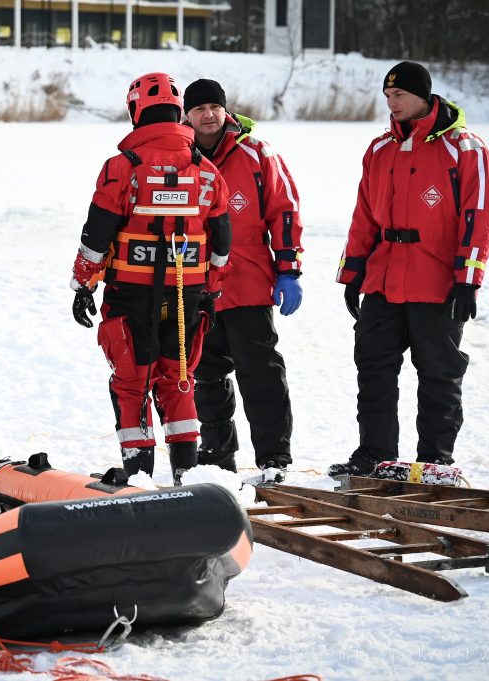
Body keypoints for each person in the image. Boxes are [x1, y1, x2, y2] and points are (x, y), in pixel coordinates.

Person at [330, 61, 489, 477]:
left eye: (400, 94)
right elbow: (364, 215)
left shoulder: (466, 149)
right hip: (384, 278)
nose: (392, 102)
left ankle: (435, 461)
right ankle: (374, 455)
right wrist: (353, 273)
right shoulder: (379, 148)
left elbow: (478, 217)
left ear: (423, 95)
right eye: (388, 96)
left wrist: (468, 279)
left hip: (436, 281)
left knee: (439, 374)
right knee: (373, 367)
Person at [70, 72, 232, 484]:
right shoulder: (207, 170)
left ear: (136, 110)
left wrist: (83, 284)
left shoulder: (122, 167)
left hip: (130, 294)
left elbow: (96, 235)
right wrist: (211, 290)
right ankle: (186, 477)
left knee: (132, 383)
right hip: (187, 294)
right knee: (179, 380)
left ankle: (138, 480)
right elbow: (221, 241)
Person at [182, 78, 304, 483]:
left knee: (261, 375)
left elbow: (284, 212)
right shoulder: (177, 157)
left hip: (249, 282)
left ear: (226, 110)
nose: (208, 115)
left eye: (214, 107)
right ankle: (218, 459)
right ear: (187, 115)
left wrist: (288, 270)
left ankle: (274, 459)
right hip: (196, 286)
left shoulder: (256, 153)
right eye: (199, 109)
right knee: (205, 376)